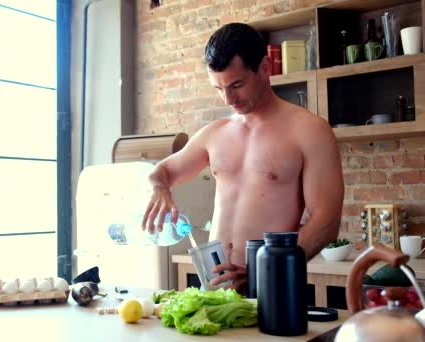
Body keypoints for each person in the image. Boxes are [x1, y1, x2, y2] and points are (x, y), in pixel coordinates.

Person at [141, 23, 344, 293]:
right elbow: (161, 171)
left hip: (272, 286)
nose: (228, 98)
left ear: (264, 68)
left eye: (237, 84)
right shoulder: (215, 133)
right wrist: (159, 188)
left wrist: (263, 271)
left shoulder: (309, 131)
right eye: (218, 88)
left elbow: (326, 223)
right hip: (214, 286)